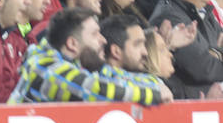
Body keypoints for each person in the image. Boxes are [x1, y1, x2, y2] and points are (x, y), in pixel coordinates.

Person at [10, 7, 164, 103]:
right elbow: (95, 90)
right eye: (95, 34)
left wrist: (155, 84)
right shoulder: (43, 67)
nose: (103, 40)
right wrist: (154, 94)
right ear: (72, 44)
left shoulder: (77, 63)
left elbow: (115, 76)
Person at [147, 0, 223, 99]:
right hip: (187, 109)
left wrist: (215, 52)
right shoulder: (169, 17)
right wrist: (218, 51)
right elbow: (205, 68)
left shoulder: (205, 13)